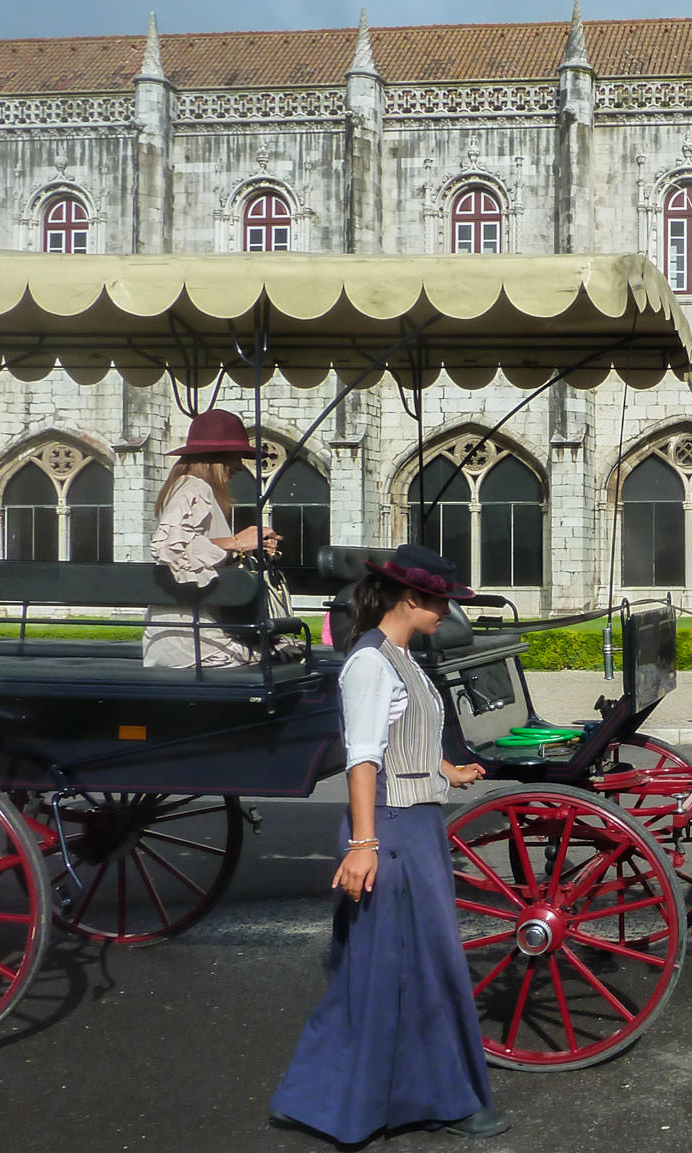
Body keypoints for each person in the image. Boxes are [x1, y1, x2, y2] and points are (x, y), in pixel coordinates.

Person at [269, 543, 510, 1142]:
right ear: (411, 598)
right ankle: (435, 1101)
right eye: (439, 603)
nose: (445, 614)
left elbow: (406, 744)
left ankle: (333, 1096)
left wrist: (444, 772)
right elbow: (363, 760)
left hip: (414, 825)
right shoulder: (372, 664)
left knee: (399, 968)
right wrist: (364, 845)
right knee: (403, 969)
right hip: (390, 832)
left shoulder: (401, 656)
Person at [143, 409, 281, 669]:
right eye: (236, 457)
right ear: (216, 458)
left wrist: (246, 546)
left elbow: (193, 549)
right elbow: (172, 548)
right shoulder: (196, 488)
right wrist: (237, 542)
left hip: (178, 636)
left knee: (280, 648)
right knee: (288, 653)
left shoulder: (186, 488)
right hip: (192, 640)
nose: (240, 466)